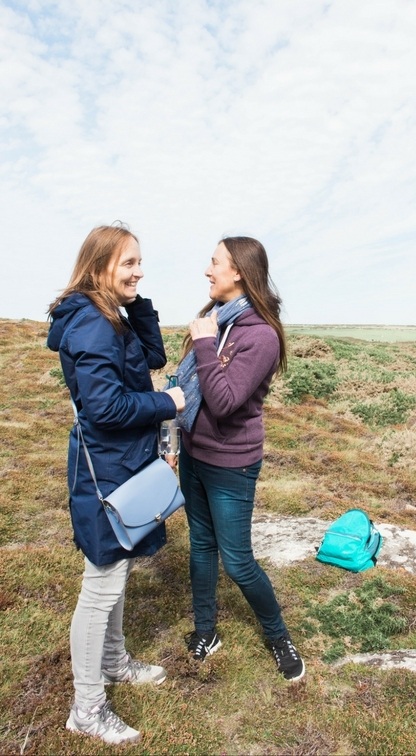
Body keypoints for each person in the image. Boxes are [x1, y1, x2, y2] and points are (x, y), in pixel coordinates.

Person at [47, 224, 186, 746]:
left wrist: (136, 301)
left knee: (117, 567)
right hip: (105, 468)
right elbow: (104, 408)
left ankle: (114, 660)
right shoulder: (91, 323)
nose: (139, 270)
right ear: (100, 264)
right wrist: (166, 404)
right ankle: (87, 706)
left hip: (122, 461)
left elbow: (151, 359)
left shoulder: (110, 316)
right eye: (129, 263)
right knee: (100, 584)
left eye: (140, 262)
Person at [176, 236, 305, 682]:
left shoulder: (261, 336)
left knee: (237, 561)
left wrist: (206, 345)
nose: (207, 271)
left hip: (232, 464)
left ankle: (278, 635)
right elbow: (188, 388)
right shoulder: (212, 319)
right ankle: (206, 631)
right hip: (194, 453)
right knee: (200, 546)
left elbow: (226, 401)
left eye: (214, 263)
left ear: (238, 272)